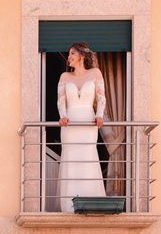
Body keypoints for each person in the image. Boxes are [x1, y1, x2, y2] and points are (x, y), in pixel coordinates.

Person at [57, 42, 106, 212]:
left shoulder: (95, 73)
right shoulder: (64, 76)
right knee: (71, 158)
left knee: (87, 156)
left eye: (72, 53)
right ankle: (70, 206)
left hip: (88, 120)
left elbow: (101, 97)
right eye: (69, 54)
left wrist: (99, 114)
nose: (69, 57)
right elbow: (61, 100)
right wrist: (63, 116)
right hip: (70, 123)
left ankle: (91, 203)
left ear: (82, 56)